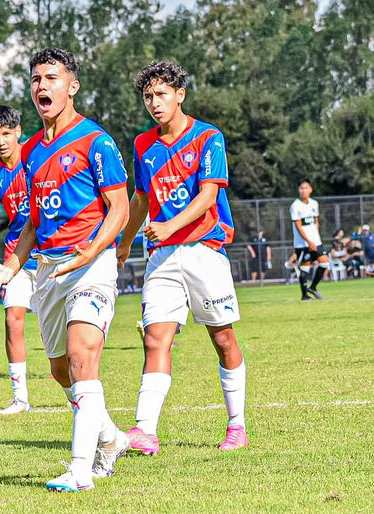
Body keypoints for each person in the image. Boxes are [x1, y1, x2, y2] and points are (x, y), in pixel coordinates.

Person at [0, 48, 131, 492]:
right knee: (63, 372)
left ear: (72, 86)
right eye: (36, 79)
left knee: (84, 359)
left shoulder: (95, 141)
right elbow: (31, 222)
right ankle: (111, 438)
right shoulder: (30, 152)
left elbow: (119, 209)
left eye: (52, 77)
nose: (42, 86)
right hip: (48, 271)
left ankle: (81, 469)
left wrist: (91, 253)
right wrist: (10, 268)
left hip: (91, 265)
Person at [116, 61, 249, 456]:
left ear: (180, 95)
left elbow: (208, 196)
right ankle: (144, 430)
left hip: (204, 251)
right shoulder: (143, 144)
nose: (154, 103)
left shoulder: (209, 137)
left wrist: (170, 226)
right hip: (162, 256)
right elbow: (141, 198)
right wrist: (124, 243)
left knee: (222, 338)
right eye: (147, 96)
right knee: (156, 337)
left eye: (161, 94)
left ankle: (237, 425)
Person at [0, 105, 38, 415]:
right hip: (16, 255)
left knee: (67, 330)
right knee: (12, 319)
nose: (0, 141)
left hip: (51, 253)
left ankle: (77, 390)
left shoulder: (38, 156)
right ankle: (20, 398)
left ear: (18, 132)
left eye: (5, 134)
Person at [289, 179, 329, 300]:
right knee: (305, 267)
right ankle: (304, 295)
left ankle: (313, 288)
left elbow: (316, 221)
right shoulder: (295, 206)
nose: (303, 190)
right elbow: (298, 226)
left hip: (316, 241)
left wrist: (315, 238)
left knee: (324, 262)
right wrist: (309, 242)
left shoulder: (314, 203)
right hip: (302, 244)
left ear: (311, 190)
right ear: (298, 190)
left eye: (306, 188)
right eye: (301, 188)